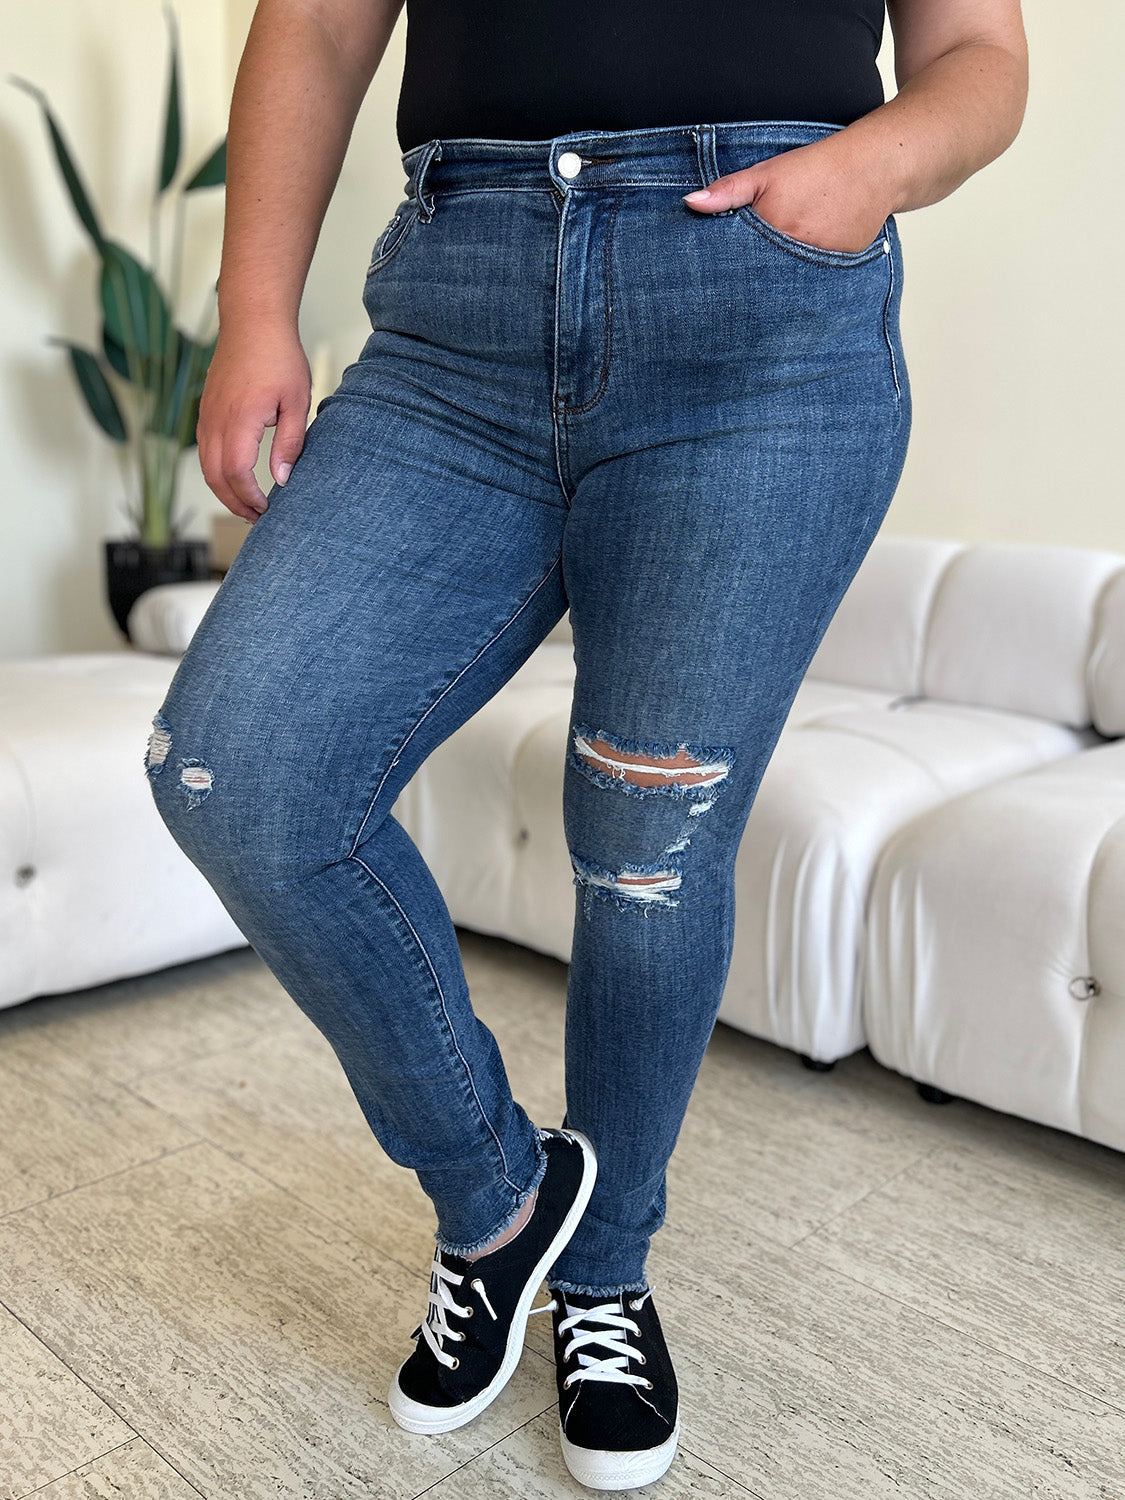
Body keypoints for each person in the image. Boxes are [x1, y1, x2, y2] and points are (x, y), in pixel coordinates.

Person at [146, 0, 1028, 1488]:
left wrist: (862, 169)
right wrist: (252, 313)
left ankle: (604, 1275)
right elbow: (311, 23)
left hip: (758, 317)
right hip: (454, 313)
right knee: (241, 770)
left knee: (646, 844)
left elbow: (980, 66)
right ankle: (503, 1205)